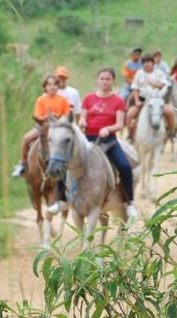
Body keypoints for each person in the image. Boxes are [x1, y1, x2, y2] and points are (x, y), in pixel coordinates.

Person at [46, 68, 138, 220]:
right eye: (102, 78)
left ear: (113, 81)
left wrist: (108, 129)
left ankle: (130, 202)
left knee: (124, 166)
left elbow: (120, 124)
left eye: (108, 79)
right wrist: (82, 121)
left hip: (109, 140)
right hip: (87, 138)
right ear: (97, 80)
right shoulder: (89, 98)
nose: (104, 82)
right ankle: (62, 199)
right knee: (64, 161)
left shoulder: (118, 101)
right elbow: (83, 118)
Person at [12, 74, 71, 178]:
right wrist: (46, 117)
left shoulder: (63, 100)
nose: (52, 87)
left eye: (55, 84)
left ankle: (70, 165)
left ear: (58, 86)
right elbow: (37, 115)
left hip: (58, 127)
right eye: (49, 84)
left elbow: (67, 114)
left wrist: (58, 117)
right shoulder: (41, 100)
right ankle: (23, 164)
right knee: (26, 138)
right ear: (45, 87)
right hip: (43, 126)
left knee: (68, 140)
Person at [126, 55, 175, 139]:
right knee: (129, 114)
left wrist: (151, 83)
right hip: (143, 99)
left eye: (149, 62)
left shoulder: (159, 72)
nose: (147, 64)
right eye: (145, 62)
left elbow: (163, 84)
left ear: (153, 63)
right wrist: (137, 100)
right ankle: (130, 135)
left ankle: (172, 133)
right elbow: (135, 88)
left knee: (169, 112)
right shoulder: (139, 73)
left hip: (157, 99)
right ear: (142, 64)